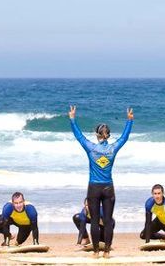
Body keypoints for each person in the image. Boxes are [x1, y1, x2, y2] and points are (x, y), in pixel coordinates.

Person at [69, 105, 132, 258]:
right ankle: (107, 252)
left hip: (94, 188)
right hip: (108, 188)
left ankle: (96, 251)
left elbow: (79, 136)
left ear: (97, 135)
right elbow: (124, 138)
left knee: (96, 221)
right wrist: (130, 121)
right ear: (108, 136)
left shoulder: (91, 148)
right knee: (108, 221)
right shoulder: (113, 148)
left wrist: (72, 119)